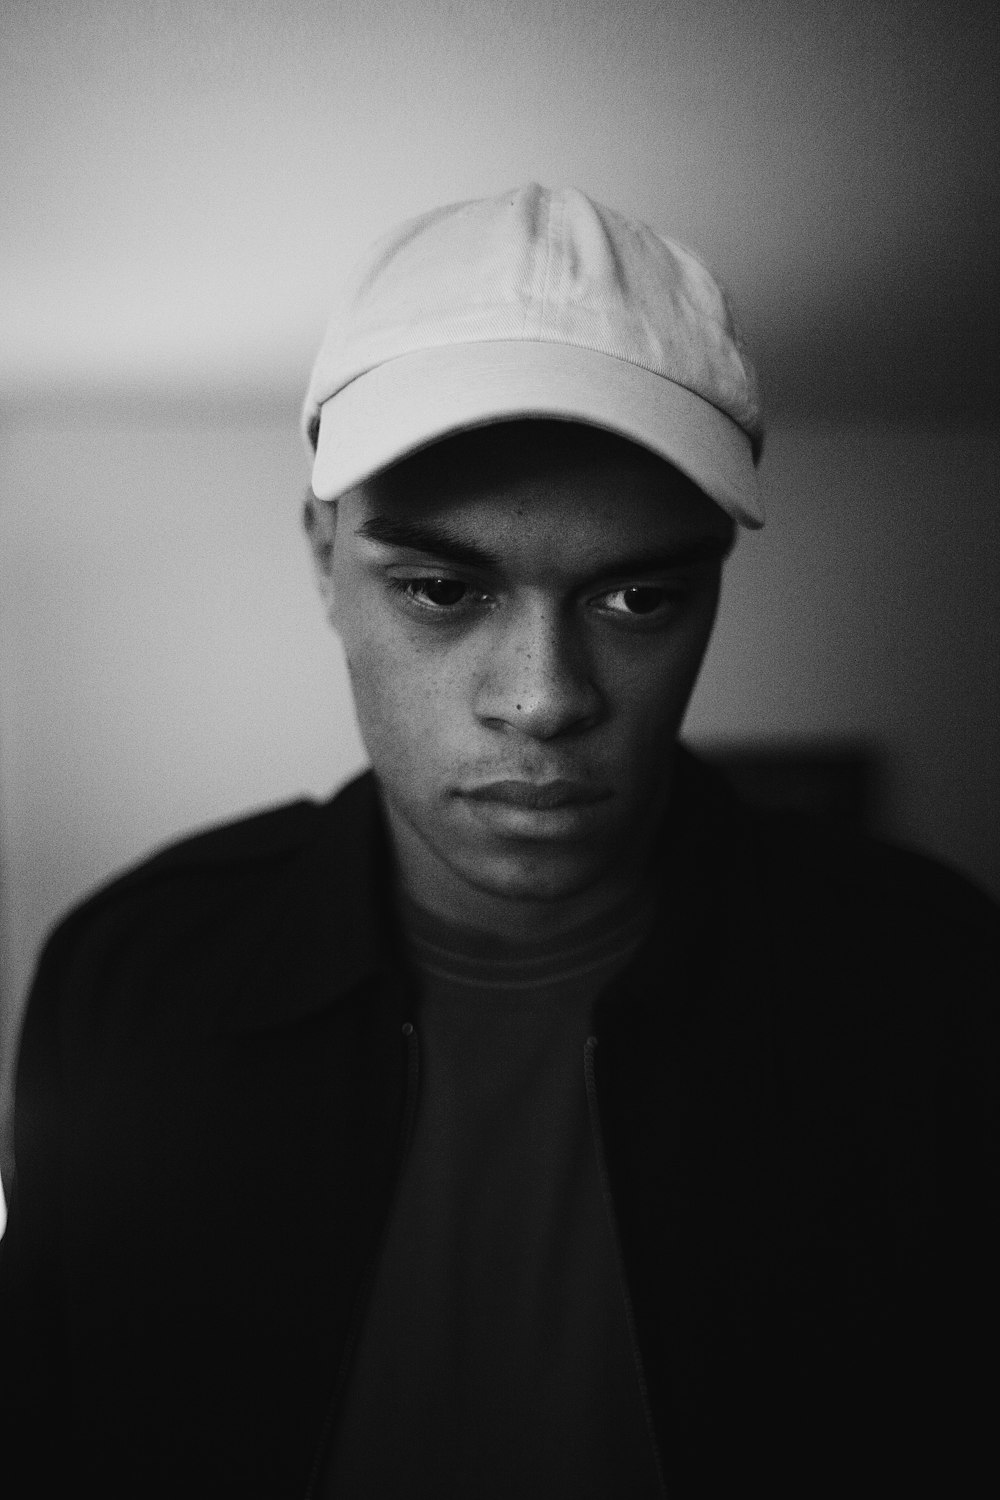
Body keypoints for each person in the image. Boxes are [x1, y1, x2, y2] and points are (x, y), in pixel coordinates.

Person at [0, 184, 996, 1498]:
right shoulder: (131, 978)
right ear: (321, 558)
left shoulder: (931, 986)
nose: (544, 696)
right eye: (440, 589)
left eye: (638, 595)